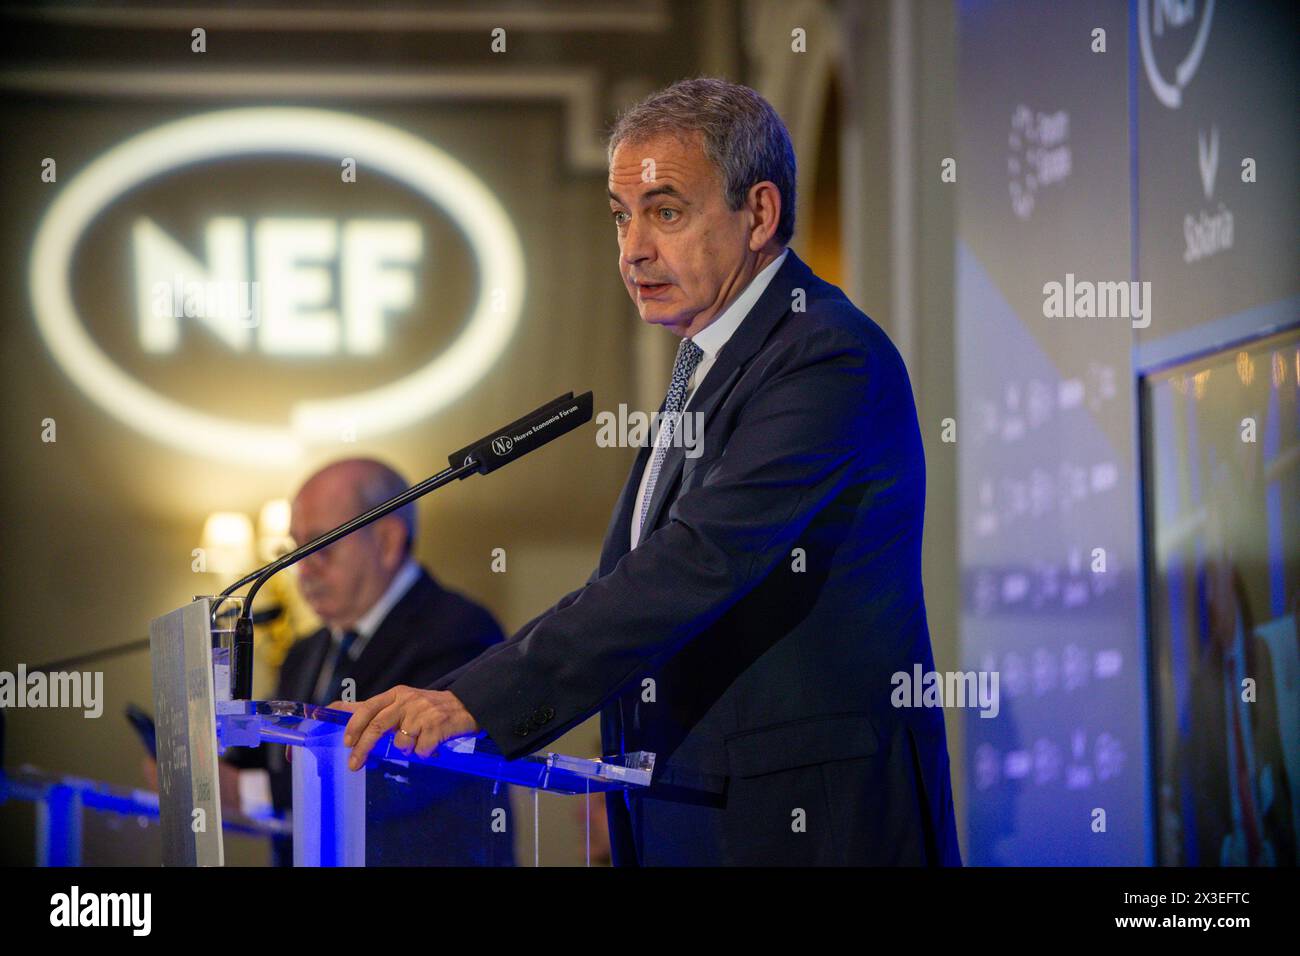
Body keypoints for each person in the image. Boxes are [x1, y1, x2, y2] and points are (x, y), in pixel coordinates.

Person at [339, 78, 962, 865]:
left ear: (759, 214)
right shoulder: (706, 357)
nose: (634, 249)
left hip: (806, 820)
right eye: (622, 216)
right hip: (690, 807)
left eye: (666, 211)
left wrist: (478, 697)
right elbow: (636, 584)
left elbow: (696, 563)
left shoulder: (826, 355)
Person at [173, 458, 511, 865]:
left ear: (386, 541)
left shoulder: (458, 629)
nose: (302, 570)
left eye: (319, 547)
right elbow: (275, 748)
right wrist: (200, 760)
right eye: (295, 548)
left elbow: (413, 774)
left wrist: (247, 793)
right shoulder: (305, 650)